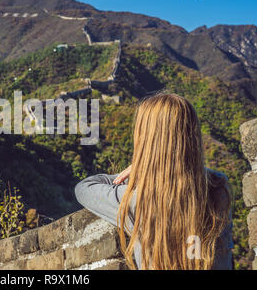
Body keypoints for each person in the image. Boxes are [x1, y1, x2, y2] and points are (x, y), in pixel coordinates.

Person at [74, 93, 233, 270]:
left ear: (146, 140)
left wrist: (140, 167)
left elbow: (83, 188)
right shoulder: (218, 189)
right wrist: (186, 166)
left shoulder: (137, 201)